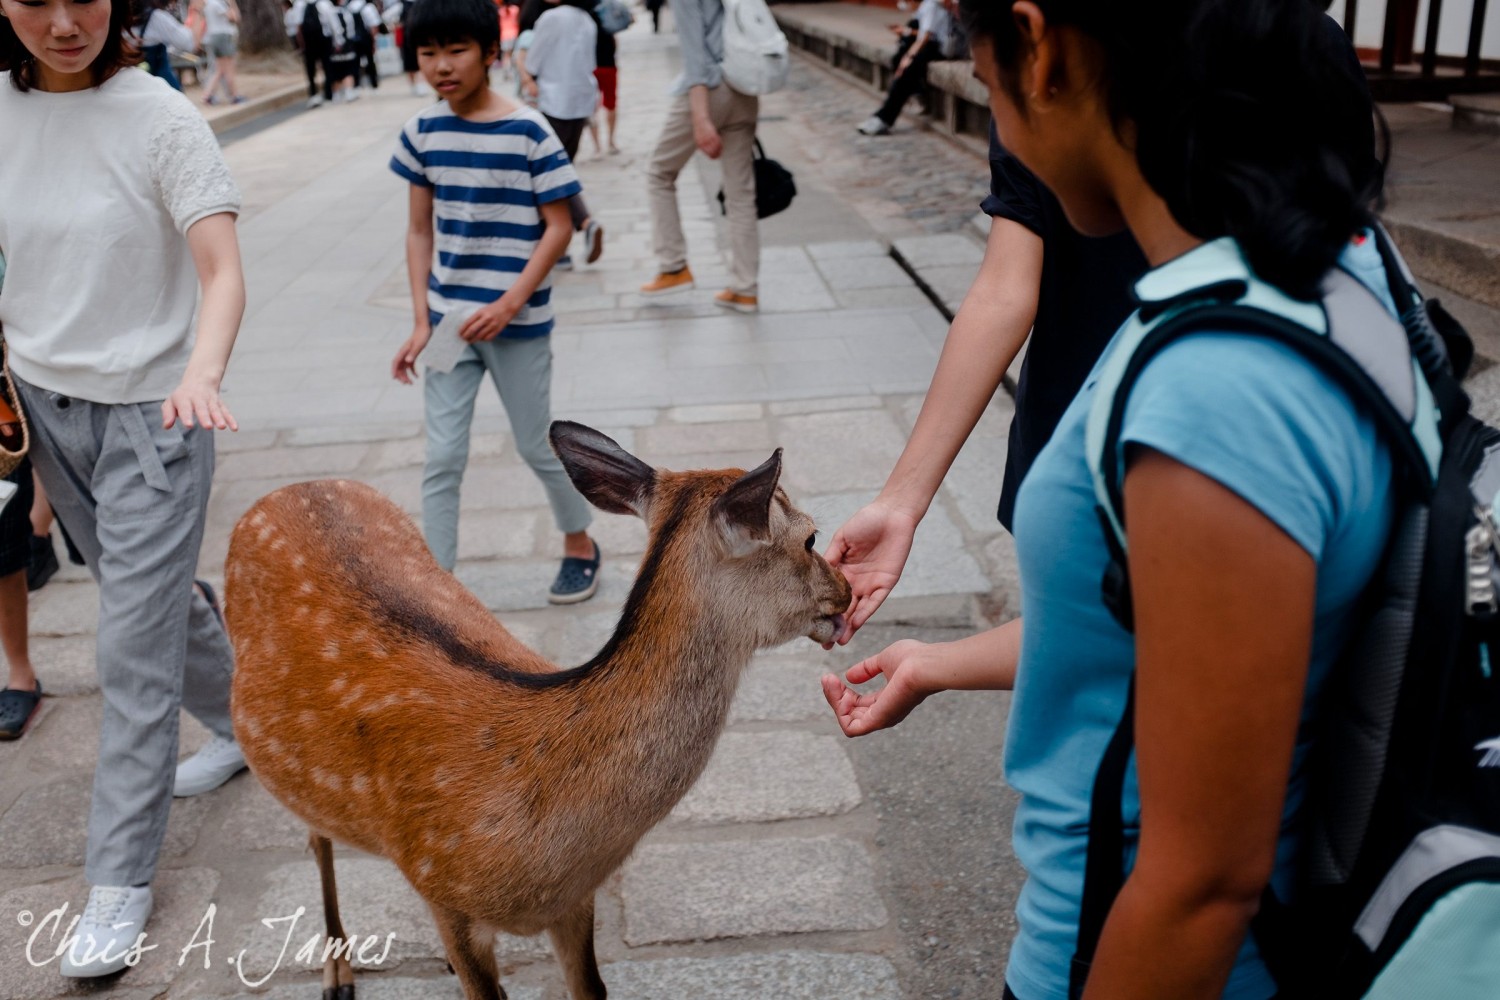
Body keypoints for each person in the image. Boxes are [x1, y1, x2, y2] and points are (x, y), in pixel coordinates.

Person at [824, 2, 1399, 998]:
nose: (990, 107)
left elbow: (1202, 882)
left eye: (980, 64)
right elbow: (1184, 630)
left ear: (1038, 46)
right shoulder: (1345, 275)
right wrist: (939, 661)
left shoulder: (1212, 387)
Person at [0, 0, 248, 978]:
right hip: (45, 413)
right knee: (157, 606)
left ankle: (116, 881)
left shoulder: (161, 116)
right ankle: (246, 726)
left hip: (156, 417)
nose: (65, 22)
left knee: (128, 646)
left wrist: (204, 370)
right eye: (37, 0)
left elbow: (222, 270)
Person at [388, 0, 602, 604]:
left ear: (490, 53)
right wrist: (419, 320)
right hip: (450, 324)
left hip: (520, 323)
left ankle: (580, 543)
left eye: (456, 50)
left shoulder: (529, 131)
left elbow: (557, 226)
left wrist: (510, 303)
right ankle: (438, 585)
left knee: (537, 443)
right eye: (428, 53)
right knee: (443, 454)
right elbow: (418, 231)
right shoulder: (422, 132)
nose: (441, 66)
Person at [640, 0, 759, 313]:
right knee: (740, 193)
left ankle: (672, 265)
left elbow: (695, 54)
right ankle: (745, 288)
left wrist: (700, 116)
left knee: (659, 173)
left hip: (711, 86)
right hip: (745, 85)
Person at [524, 0, 603, 267]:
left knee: (549, 177)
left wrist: (525, 75)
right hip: (579, 103)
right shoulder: (587, 19)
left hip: (553, 103)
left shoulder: (551, 18)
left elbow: (533, 61)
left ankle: (576, 231)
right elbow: (590, 63)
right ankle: (566, 244)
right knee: (560, 173)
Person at [856, 0, 961, 136]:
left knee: (906, 69)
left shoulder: (933, 4)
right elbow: (922, 32)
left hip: (939, 47)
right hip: (932, 44)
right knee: (898, 58)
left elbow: (926, 37)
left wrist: (909, 57)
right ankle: (916, 93)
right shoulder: (927, 5)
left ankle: (884, 118)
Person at [134, 0, 199, 92]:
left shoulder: (120, 18)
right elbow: (189, 43)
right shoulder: (157, 17)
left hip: (134, 82)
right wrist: (197, 10)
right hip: (161, 80)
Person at [587, 2, 619, 156]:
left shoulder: (582, 11)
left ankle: (597, 146)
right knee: (611, 103)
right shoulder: (606, 7)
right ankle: (611, 142)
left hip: (590, 65)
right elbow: (614, 38)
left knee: (591, 107)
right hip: (608, 63)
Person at [199, 0, 243, 104]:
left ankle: (207, 95)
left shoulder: (208, 3)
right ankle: (234, 96)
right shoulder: (217, 3)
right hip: (223, 37)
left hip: (214, 36)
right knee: (228, 68)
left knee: (219, 70)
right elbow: (234, 17)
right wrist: (232, 3)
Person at [348, 0, 382, 91]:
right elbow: (374, 25)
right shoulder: (368, 6)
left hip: (354, 39)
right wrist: (374, 40)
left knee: (355, 63)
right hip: (366, 38)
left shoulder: (349, 7)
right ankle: (374, 83)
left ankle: (357, 85)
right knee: (370, 60)